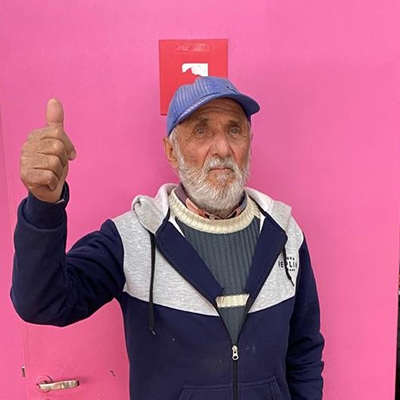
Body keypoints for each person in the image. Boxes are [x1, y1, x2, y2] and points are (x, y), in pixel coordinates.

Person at [11, 76, 324, 400]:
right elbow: (42, 303)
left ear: (249, 142)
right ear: (172, 152)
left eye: (234, 130)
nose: (222, 149)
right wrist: (43, 205)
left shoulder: (284, 235)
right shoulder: (131, 238)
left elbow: (304, 350)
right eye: (201, 131)